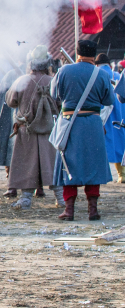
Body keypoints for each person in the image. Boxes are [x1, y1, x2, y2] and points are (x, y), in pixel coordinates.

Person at [52, 40, 115, 221]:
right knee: (93, 166)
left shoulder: (63, 71)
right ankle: (93, 210)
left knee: (68, 166)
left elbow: (54, 94)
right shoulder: (101, 74)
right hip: (93, 124)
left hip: (70, 123)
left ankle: (69, 210)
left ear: (77, 53)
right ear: (94, 55)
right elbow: (109, 100)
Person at [4, 46, 63, 209]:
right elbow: (60, 103)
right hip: (49, 130)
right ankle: (61, 198)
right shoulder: (53, 81)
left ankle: (26, 200)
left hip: (26, 129)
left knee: (26, 165)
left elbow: (10, 101)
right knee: (51, 165)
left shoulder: (21, 80)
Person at [0, 64, 22, 198]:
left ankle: (35, 188)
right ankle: (12, 185)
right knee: (11, 149)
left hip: (26, 117)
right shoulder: (11, 75)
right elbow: (6, 97)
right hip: (13, 115)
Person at [94, 53, 125, 183]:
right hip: (119, 114)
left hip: (100, 113)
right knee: (119, 141)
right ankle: (121, 173)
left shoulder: (95, 75)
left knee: (99, 144)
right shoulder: (117, 75)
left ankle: (98, 174)